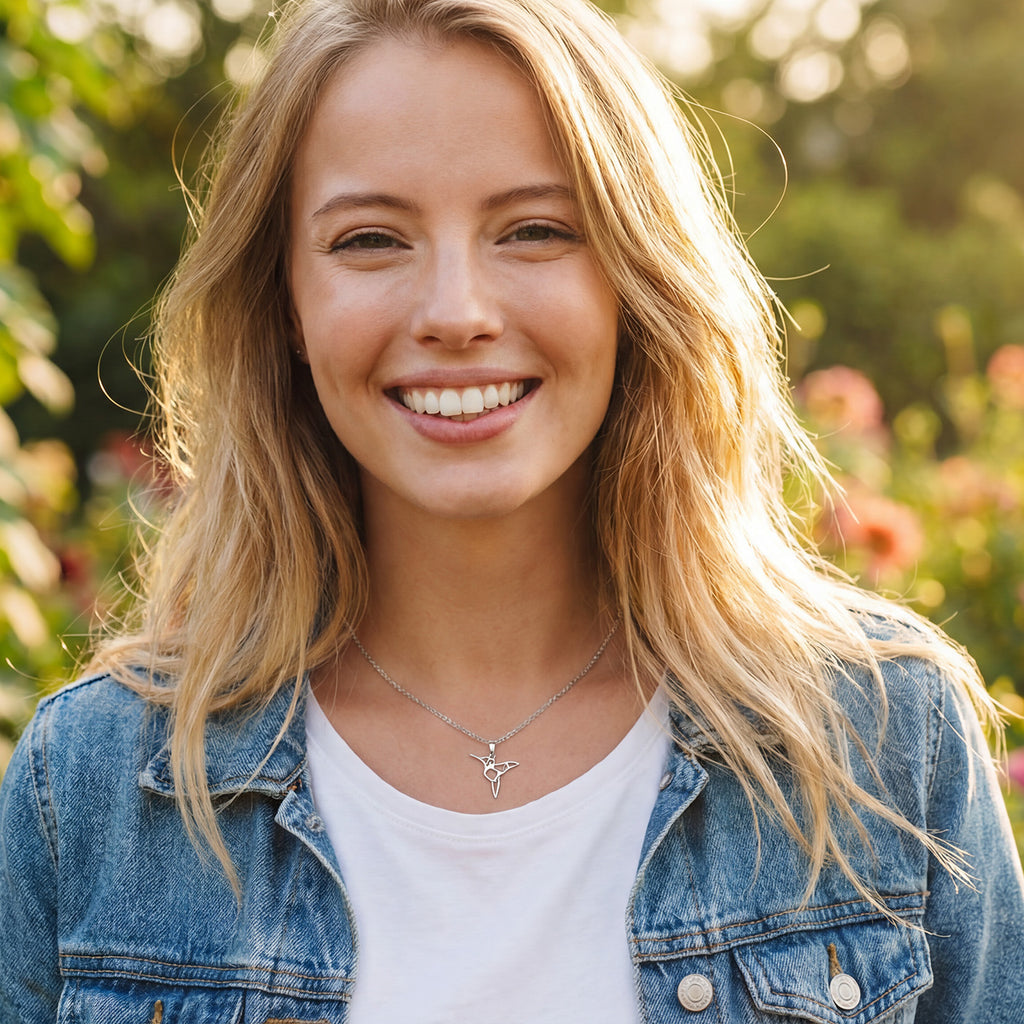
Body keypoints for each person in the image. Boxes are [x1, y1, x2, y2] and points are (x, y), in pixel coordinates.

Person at [2, 0, 1022, 1019]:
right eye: (369, 238)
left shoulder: (886, 741)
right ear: (286, 306)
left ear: (635, 276)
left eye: (533, 229)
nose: (455, 312)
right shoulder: (91, 789)